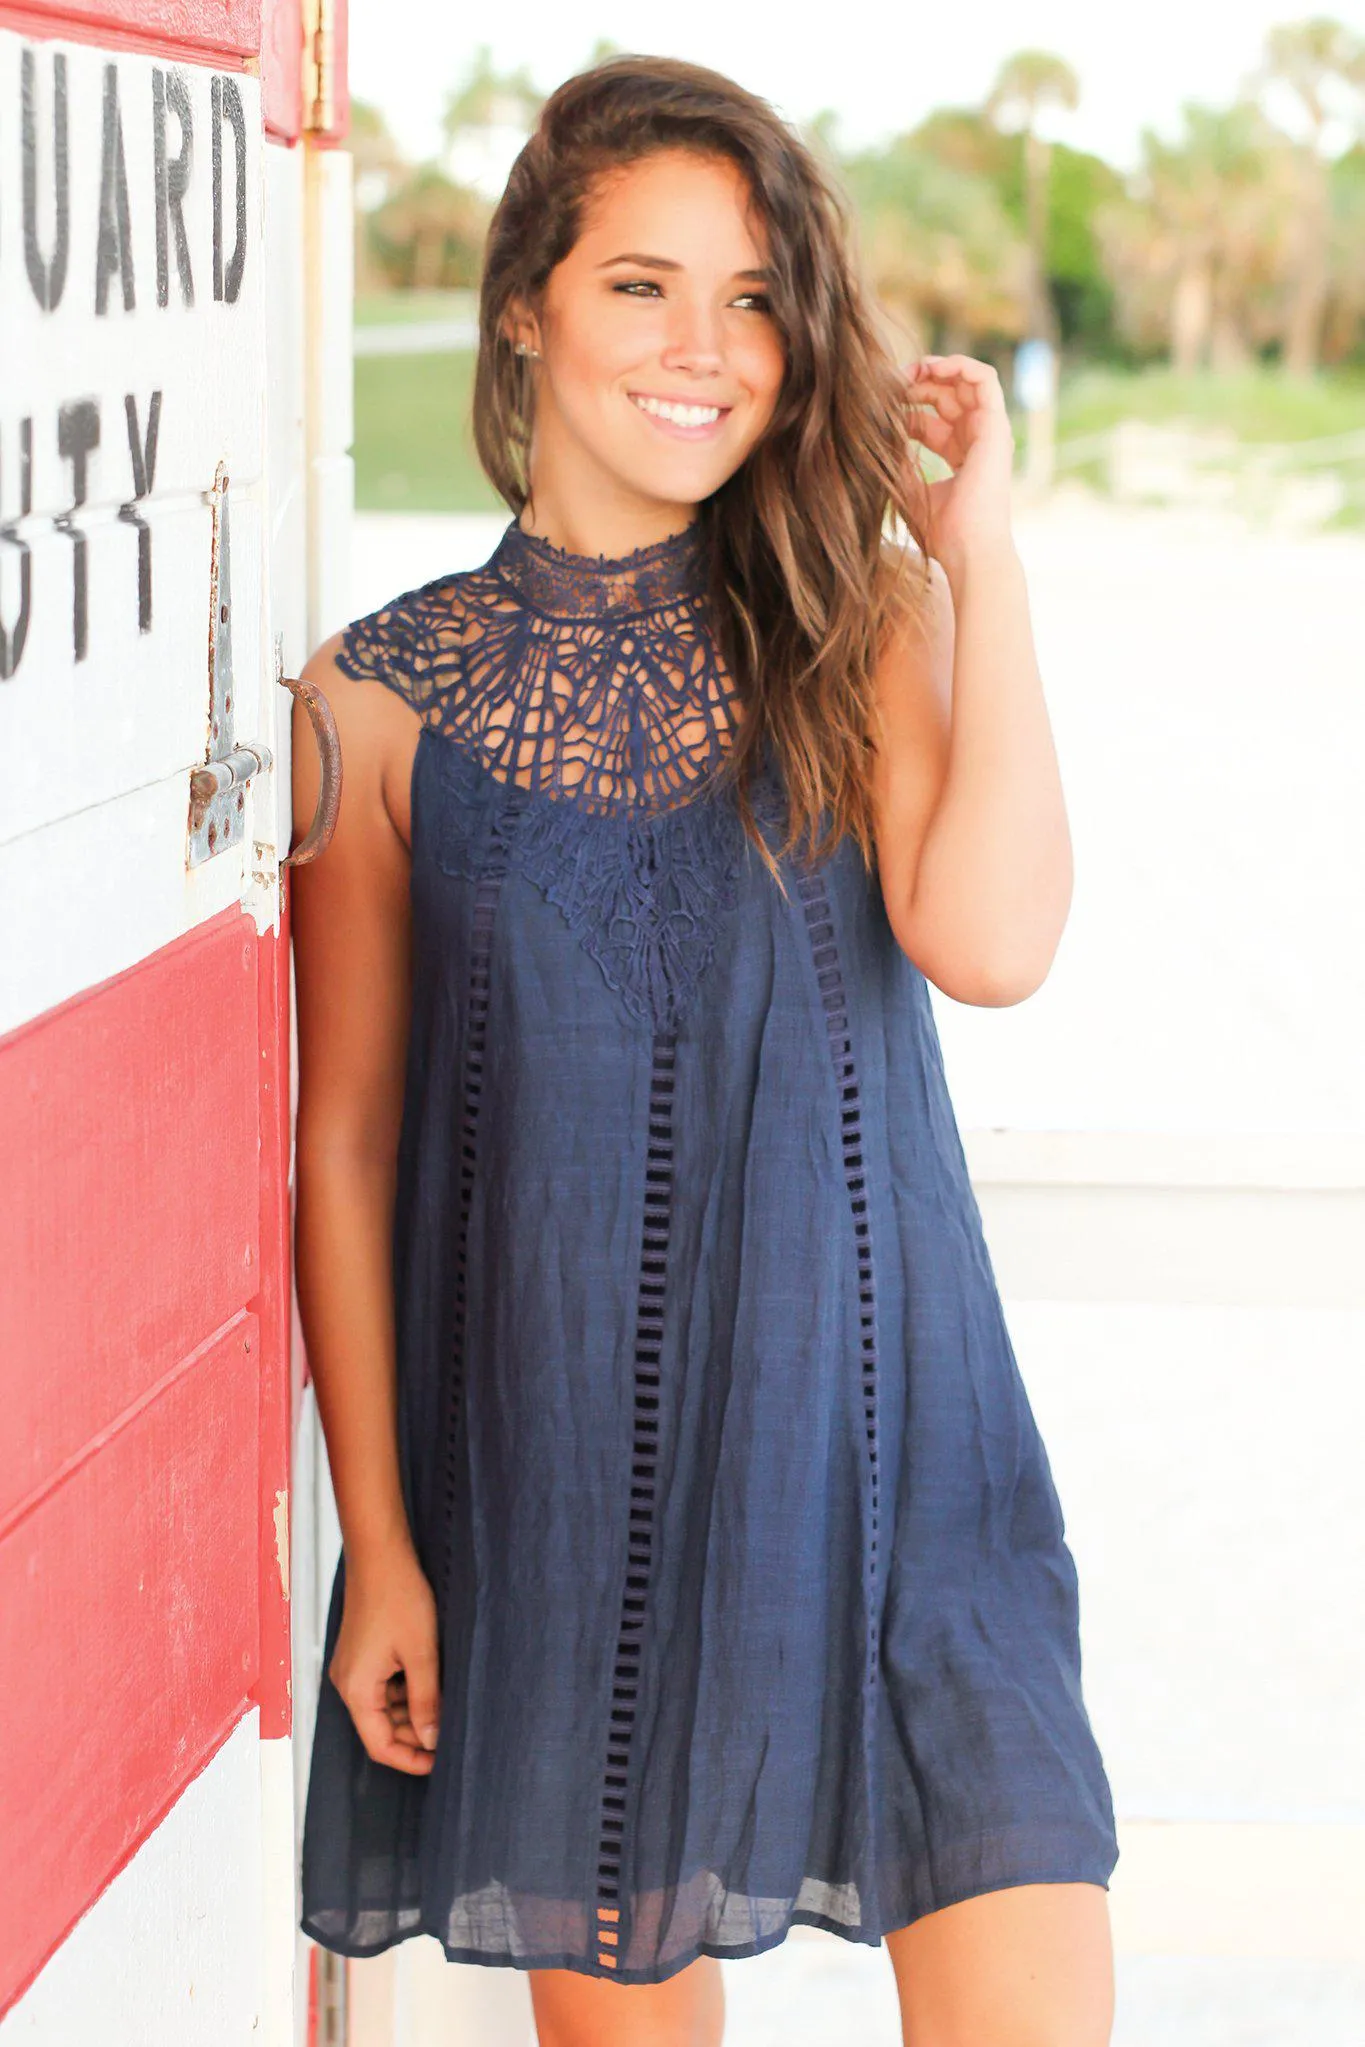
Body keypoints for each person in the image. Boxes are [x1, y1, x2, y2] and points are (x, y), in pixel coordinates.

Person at [292, 52, 1119, 2047]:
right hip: (564, 1493)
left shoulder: (869, 623)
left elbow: (992, 943)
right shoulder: (374, 699)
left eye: (752, 299)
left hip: (902, 1468)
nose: (705, 349)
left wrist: (978, 559)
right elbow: (343, 1142)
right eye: (642, 285)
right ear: (525, 303)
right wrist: (384, 1550)